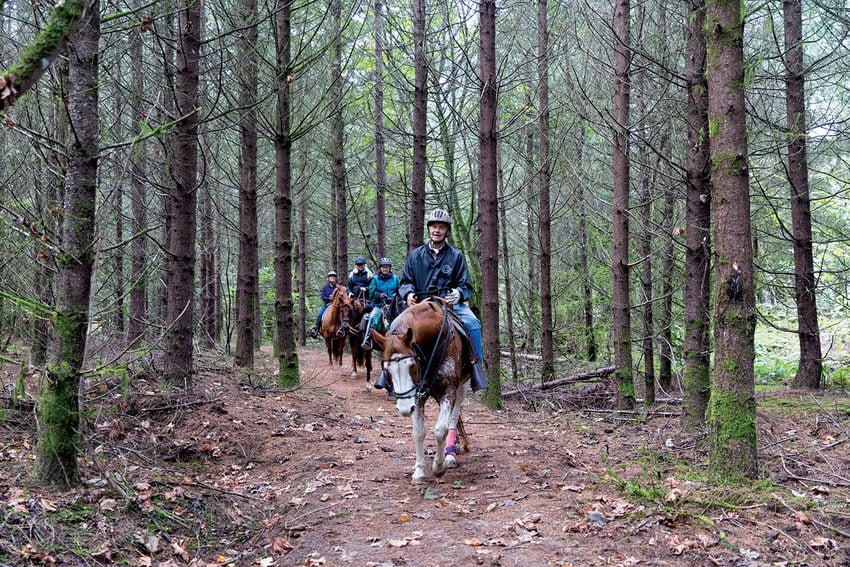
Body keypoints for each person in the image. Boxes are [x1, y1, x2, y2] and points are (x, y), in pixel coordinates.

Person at [375, 209, 488, 392]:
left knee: (473, 323)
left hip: (449, 305)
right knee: (395, 324)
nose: (437, 230)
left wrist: (458, 293)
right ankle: (387, 372)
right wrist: (409, 294)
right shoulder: (415, 255)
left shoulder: (455, 256)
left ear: (447, 231)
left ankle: (476, 367)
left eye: (441, 227)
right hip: (420, 306)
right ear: (429, 229)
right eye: (434, 226)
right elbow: (406, 282)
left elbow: (465, 285)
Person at [361, 257, 399, 351]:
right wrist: (379, 295)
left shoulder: (395, 279)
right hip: (379, 305)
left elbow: (401, 289)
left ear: (389, 268)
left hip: (393, 304)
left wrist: (396, 295)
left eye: (387, 267)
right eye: (383, 267)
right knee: (372, 317)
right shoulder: (375, 279)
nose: (385, 269)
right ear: (380, 268)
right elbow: (371, 293)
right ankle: (368, 338)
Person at [308, 271, 339, 338]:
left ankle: (344, 329)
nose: (332, 278)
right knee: (320, 315)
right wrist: (329, 298)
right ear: (328, 278)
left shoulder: (338, 287)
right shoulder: (325, 288)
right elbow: (323, 297)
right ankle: (316, 329)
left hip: (336, 305)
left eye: (333, 276)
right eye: (331, 276)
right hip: (327, 304)